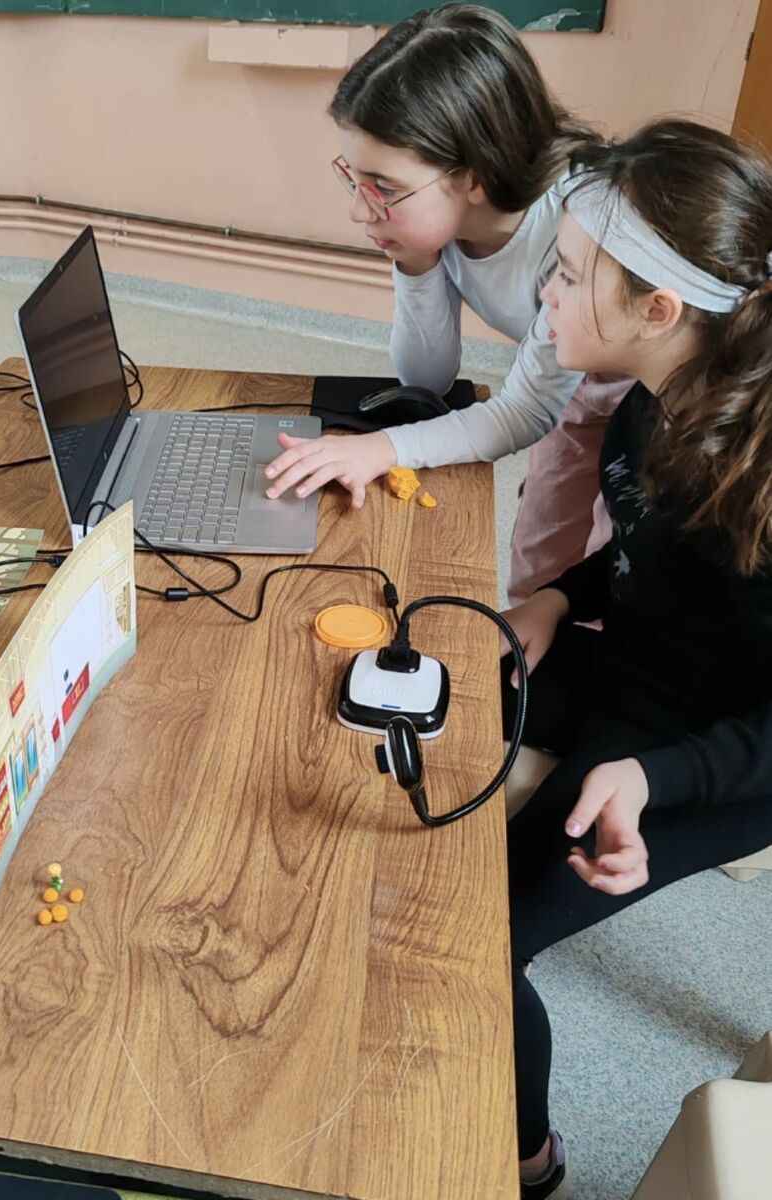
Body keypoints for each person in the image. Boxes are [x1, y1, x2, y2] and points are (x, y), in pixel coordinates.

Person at [499, 119, 772, 1199]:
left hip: (720, 759)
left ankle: (523, 1164)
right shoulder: (647, 403)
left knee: (475, 953)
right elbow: (642, 548)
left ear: (657, 310)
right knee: (407, 692)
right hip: (638, 678)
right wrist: (557, 600)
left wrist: (648, 779)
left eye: (565, 279)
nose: (546, 299)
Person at [261, 5, 630, 601]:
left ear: (474, 176)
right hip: (568, 382)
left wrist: (379, 448)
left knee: (617, 566)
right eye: (354, 180)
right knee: (539, 557)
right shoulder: (449, 222)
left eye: (383, 188)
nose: (360, 210)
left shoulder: (573, 239)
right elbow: (426, 379)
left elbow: (520, 415)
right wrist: (416, 263)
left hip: (649, 397)